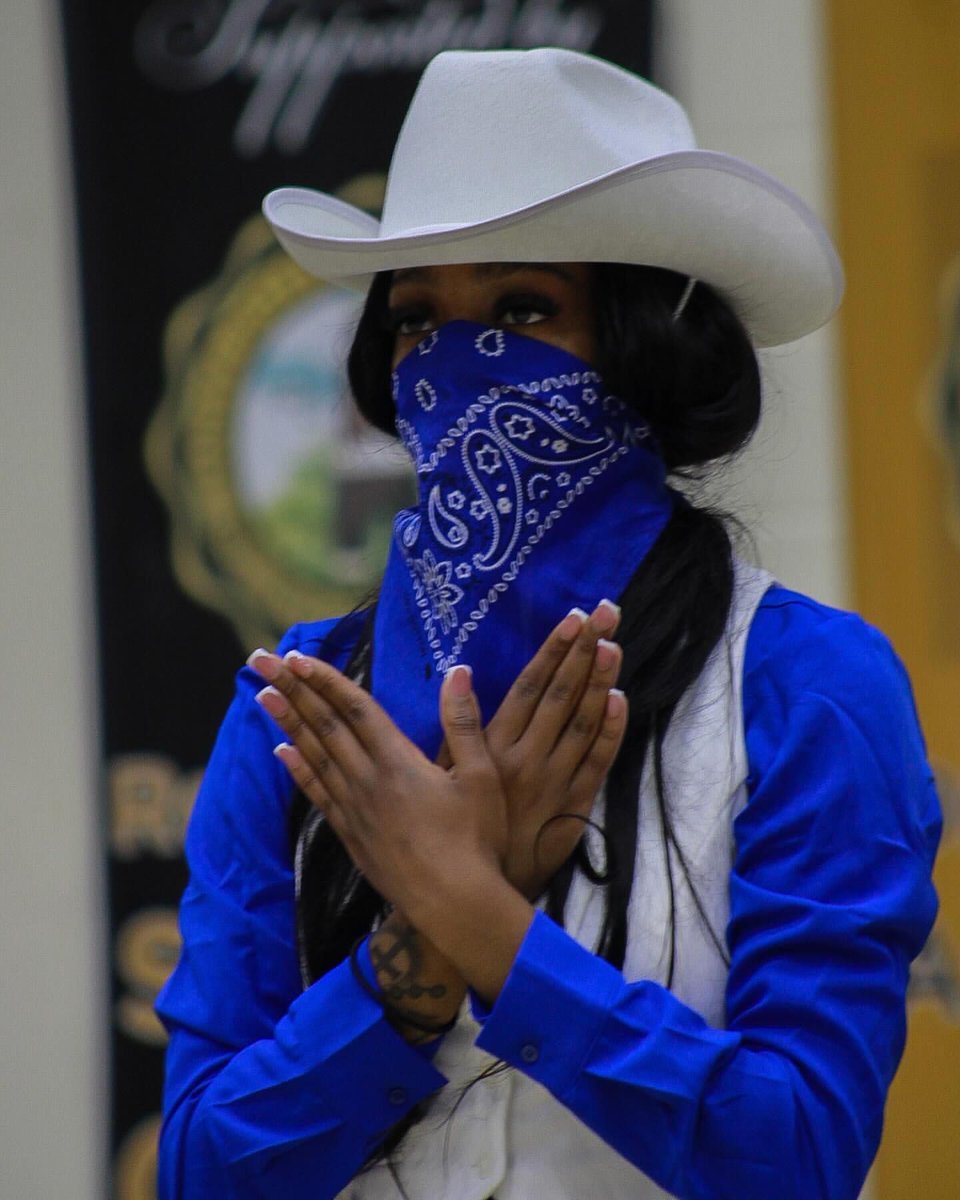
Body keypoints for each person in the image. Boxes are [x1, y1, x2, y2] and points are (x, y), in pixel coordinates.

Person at [156, 48, 941, 1200]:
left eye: (523, 309)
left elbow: (799, 1153)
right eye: (419, 321)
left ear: (646, 347)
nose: (457, 365)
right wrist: (408, 971)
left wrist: (481, 920)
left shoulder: (805, 682)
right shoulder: (299, 706)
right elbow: (203, 1172)